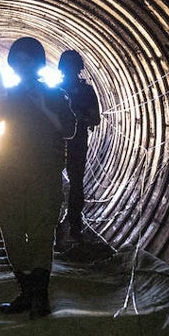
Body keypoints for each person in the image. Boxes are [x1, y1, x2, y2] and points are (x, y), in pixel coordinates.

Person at [0, 37, 76, 317]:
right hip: (10, 171)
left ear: (36, 63)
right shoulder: (7, 93)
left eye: (27, 60)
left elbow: (69, 129)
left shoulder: (54, 94)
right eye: (18, 60)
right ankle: (25, 292)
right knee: (11, 231)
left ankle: (40, 296)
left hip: (44, 173)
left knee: (40, 232)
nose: (22, 66)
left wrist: (43, 106)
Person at [58, 49, 101, 242]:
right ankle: (70, 225)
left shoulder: (59, 90)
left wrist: (77, 117)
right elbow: (95, 119)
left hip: (63, 144)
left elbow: (95, 118)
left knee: (72, 184)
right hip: (69, 143)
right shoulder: (80, 91)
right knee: (74, 183)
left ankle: (70, 224)